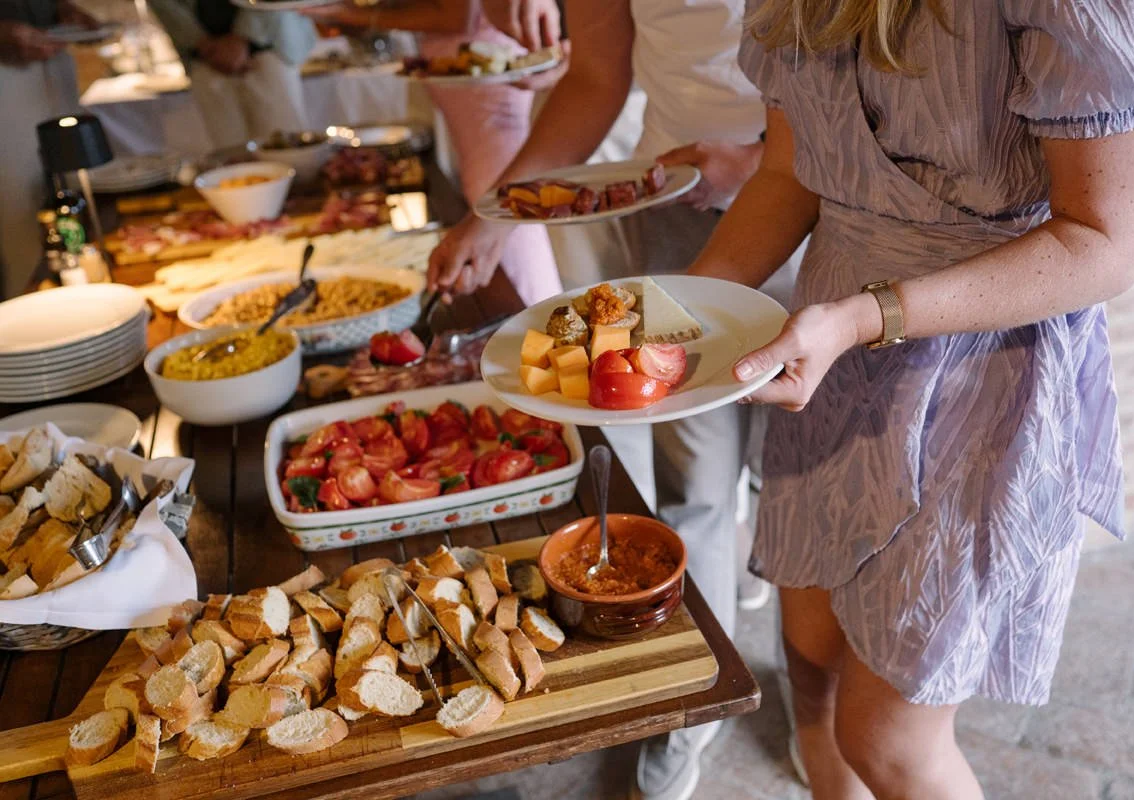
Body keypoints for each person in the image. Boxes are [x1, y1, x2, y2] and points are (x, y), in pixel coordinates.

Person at [686, 0, 1134, 797]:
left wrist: (868, 317)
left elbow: (1106, 241)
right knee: (810, 649)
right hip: (831, 349)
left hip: (980, 370)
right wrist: (681, 318)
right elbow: (791, 171)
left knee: (886, 738)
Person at [425, 3, 800, 798]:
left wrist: (765, 157)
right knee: (694, 476)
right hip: (679, 211)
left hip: (819, 199)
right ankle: (696, 707)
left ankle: (818, 698)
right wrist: (493, 213)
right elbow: (598, 76)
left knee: (799, 482)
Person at [304, 0, 563, 307]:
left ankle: (544, 322)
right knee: (495, 211)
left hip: (488, 96)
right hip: (473, 102)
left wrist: (342, 12)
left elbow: (458, 16)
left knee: (504, 216)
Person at [0, 0, 96, 298]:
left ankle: (83, 299)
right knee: (19, 216)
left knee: (73, 194)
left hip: (51, 62)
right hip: (6, 73)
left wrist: (59, 9)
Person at [148, 0, 316, 150]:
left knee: (286, 145)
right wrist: (203, 44)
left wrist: (242, 38)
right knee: (230, 153)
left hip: (269, 44)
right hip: (206, 58)